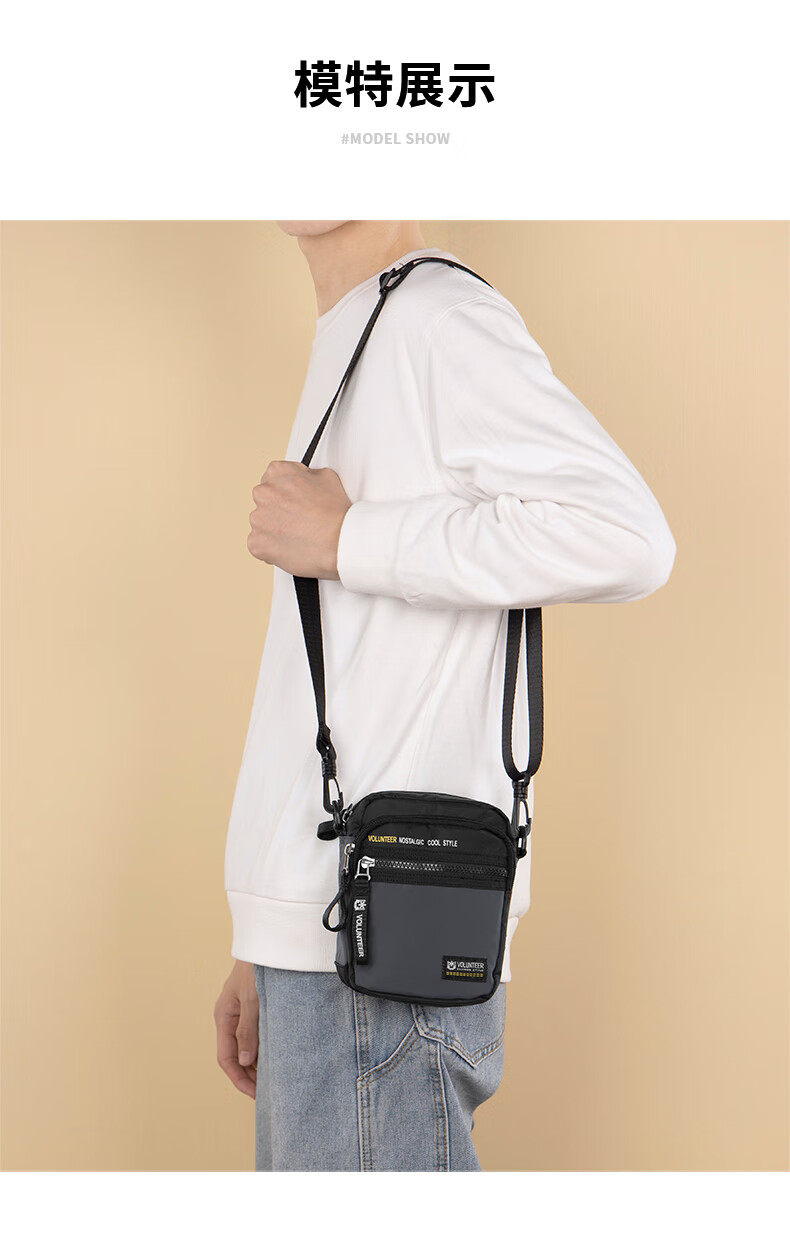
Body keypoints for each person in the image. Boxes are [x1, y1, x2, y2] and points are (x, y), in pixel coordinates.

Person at [214, 220, 675, 1171]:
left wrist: (354, 540)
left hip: (388, 937)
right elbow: (335, 680)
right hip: (332, 929)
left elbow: (628, 536)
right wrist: (267, 929)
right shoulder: (361, 328)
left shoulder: (437, 318)